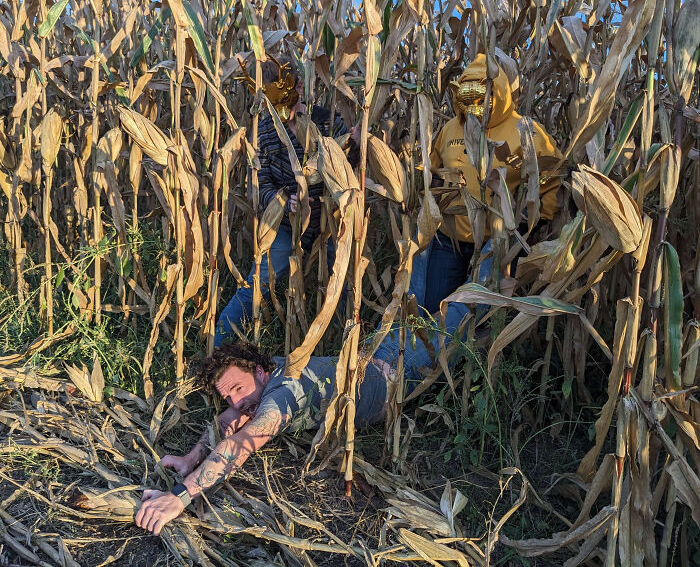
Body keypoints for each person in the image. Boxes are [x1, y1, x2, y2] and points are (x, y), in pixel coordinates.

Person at [134, 340, 425, 535]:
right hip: (381, 346)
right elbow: (227, 421)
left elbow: (239, 445)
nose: (235, 402)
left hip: (402, 368)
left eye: (238, 389)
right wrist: (191, 459)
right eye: (228, 396)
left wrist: (179, 497)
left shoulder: (282, 394)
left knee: (467, 307)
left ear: (260, 373)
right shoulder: (264, 380)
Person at [215, 56, 356, 346]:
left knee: (338, 285)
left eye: (285, 101)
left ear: (299, 89)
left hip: (328, 222)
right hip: (285, 224)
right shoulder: (266, 131)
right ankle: (218, 343)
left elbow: (349, 163)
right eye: (272, 103)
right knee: (257, 284)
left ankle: (338, 347)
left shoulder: (326, 121)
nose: (282, 111)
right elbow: (261, 184)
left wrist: (356, 141)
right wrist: (284, 201)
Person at [411, 53, 563, 315]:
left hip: (497, 244)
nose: (474, 102)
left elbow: (551, 176)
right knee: (436, 309)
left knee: (474, 315)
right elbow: (429, 167)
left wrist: (533, 216)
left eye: (482, 94)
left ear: (498, 92)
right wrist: (432, 200)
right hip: (449, 238)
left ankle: (455, 355)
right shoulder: (450, 129)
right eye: (467, 95)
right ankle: (427, 355)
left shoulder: (527, 131)